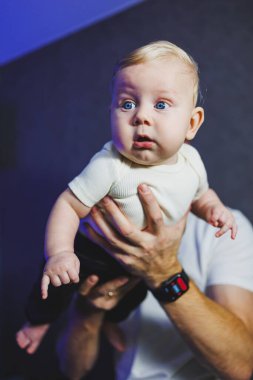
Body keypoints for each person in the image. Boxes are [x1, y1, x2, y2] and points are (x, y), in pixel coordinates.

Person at [16, 40, 238, 354]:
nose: (141, 116)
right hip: (93, 252)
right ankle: (37, 323)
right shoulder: (109, 167)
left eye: (161, 105)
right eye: (127, 104)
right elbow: (67, 204)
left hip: (140, 264)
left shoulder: (192, 162)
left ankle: (112, 322)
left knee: (131, 298)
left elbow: (200, 195)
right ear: (111, 113)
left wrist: (214, 208)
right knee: (55, 286)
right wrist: (61, 252)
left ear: (191, 123)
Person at [57, 185, 253, 380]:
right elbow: (72, 370)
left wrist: (165, 273)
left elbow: (241, 365)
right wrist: (88, 313)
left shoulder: (223, 229)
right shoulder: (103, 229)